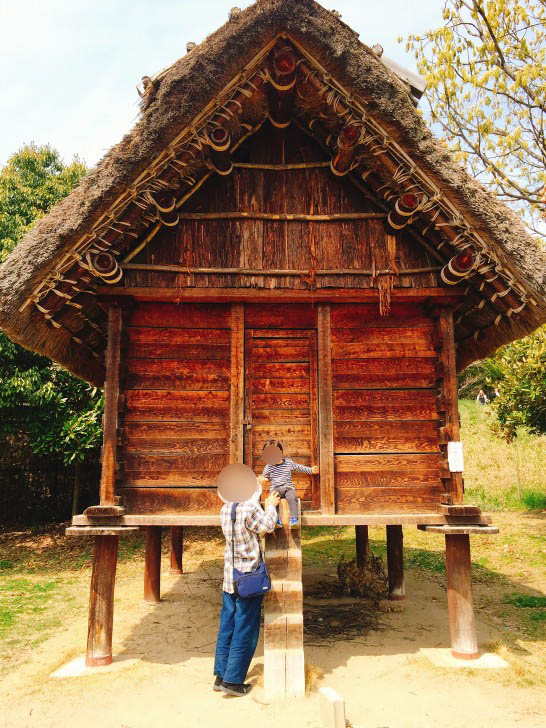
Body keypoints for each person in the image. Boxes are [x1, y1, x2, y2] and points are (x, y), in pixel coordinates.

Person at [213, 477, 280, 697]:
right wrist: (270, 505)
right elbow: (267, 526)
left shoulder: (225, 509)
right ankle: (233, 681)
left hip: (229, 577)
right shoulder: (250, 508)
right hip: (248, 577)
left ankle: (221, 676)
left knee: (228, 625)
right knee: (246, 628)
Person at [258, 439, 319, 529]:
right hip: (275, 489)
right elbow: (265, 478)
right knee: (273, 498)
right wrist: (261, 479)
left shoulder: (288, 463)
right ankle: (276, 519)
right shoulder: (268, 466)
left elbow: (299, 468)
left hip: (288, 488)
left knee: (292, 497)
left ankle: (294, 519)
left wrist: (311, 470)